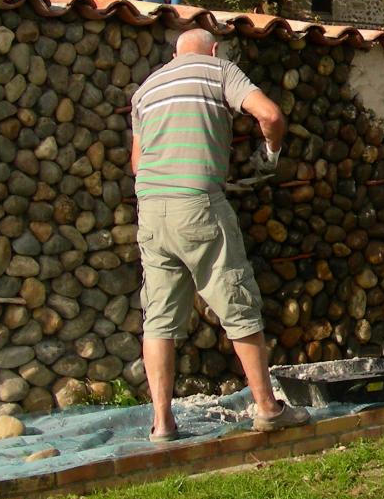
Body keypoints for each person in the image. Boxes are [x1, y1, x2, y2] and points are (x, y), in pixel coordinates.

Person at [131, 28, 309, 440]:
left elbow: (138, 164)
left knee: (158, 318)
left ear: (175, 53)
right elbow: (270, 115)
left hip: (151, 209)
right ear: (213, 50)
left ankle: (162, 423)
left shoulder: (146, 89)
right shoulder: (218, 71)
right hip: (198, 204)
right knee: (237, 301)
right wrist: (272, 154)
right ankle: (267, 408)